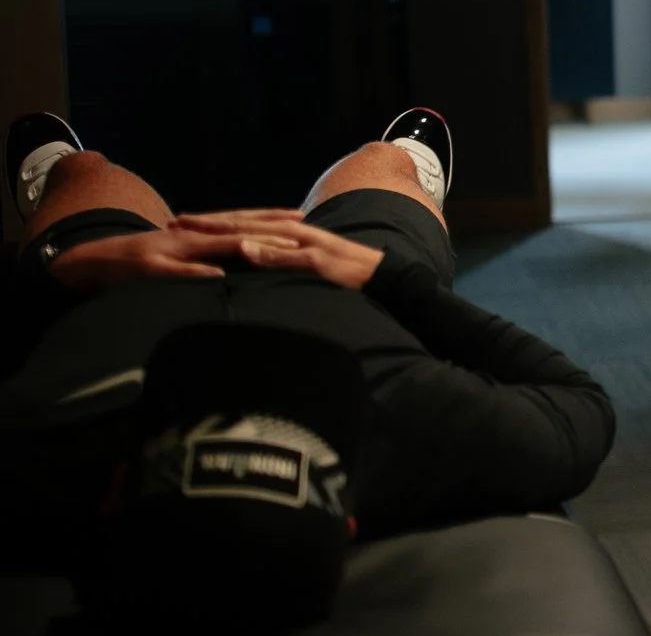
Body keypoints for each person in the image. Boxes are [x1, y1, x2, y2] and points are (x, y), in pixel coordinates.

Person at [3, 107, 614, 546]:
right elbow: (581, 404)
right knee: (384, 161)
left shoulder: (44, 444)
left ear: (113, 495)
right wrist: (389, 278)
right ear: (351, 520)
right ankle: (401, 173)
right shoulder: (408, 419)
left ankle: (65, 185)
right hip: (336, 278)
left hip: (117, 290)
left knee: (84, 174)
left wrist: (64, 272)